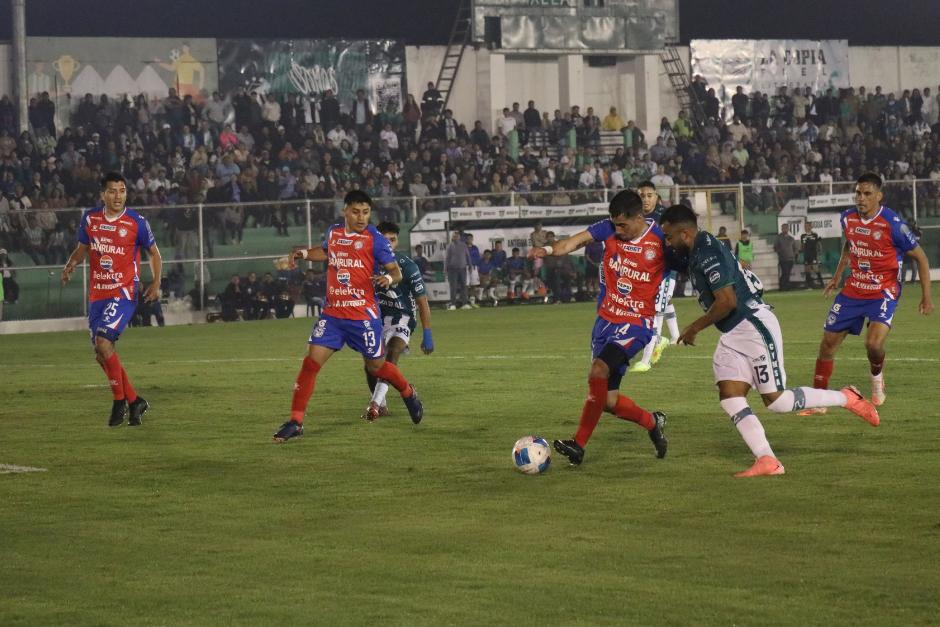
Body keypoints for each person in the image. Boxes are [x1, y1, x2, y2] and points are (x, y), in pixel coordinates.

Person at [659, 204, 880, 477]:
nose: (667, 243)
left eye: (669, 237)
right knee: (729, 394)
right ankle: (767, 460)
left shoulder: (707, 252)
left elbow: (726, 302)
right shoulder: (696, 249)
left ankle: (846, 397)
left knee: (777, 402)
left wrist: (693, 328)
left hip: (752, 326)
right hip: (732, 334)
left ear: (684, 234)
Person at [529, 190, 669, 466]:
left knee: (599, 370)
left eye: (623, 225)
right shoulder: (609, 229)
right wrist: (546, 250)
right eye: (614, 224)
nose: (617, 230)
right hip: (605, 322)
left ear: (639, 217)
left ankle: (578, 446)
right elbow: (571, 243)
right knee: (608, 401)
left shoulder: (660, 239)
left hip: (637, 323)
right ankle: (653, 423)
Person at [273, 190, 424, 443]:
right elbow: (326, 251)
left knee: (376, 367)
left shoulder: (375, 239)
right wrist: (303, 254)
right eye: (356, 211)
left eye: (366, 212)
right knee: (310, 363)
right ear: (345, 211)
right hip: (333, 315)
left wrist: (387, 278)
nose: (361, 217)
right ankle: (296, 422)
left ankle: (408, 392)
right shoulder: (334, 232)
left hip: (362, 316)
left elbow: (395, 272)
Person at [801, 173, 933, 414]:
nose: (861, 198)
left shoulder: (893, 223)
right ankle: (819, 401)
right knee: (827, 344)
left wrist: (927, 296)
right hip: (853, 289)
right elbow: (850, 245)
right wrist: (837, 276)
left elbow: (921, 258)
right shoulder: (847, 218)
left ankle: (877, 378)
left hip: (883, 291)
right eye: (858, 193)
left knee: (873, 344)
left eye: (867, 194)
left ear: (879, 196)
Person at [60, 172, 162, 427]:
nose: (118, 196)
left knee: (104, 343)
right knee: (101, 353)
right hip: (98, 294)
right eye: (113, 191)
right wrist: (71, 263)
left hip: (124, 292)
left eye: (122, 191)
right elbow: (82, 248)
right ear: (103, 194)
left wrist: (156, 281)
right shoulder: (91, 218)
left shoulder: (136, 221)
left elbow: (154, 252)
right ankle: (135, 400)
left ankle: (119, 403)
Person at [362, 222, 435, 420]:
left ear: (397, 241)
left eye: (392, 240)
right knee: (370, 366)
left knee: (392, 353)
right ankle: (382, 406)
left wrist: (427, 333)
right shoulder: (365, 263)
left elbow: (422, 301)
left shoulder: (407, 266)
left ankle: (374, 405)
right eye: (385, 240)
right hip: (375, 320)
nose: (389, 244)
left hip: (402, 319)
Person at [630, 181, 681, 373]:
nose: (645, 199)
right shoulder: (635, 216)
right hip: (644, 272)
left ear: (656, 196)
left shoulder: (665, 217)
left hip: (665, 271)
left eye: (649, 195)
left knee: (655, 312)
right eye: (642, 195)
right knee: (655, 307)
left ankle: (646, 360)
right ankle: (668, 338)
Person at [444, 231, 471, 310]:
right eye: (454, 236)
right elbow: (447, 258)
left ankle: (464, 303)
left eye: (457, 236)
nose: (455, 237)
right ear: (452, 237)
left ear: (459, 237)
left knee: (464, 286)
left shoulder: (463, 245)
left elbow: (467, 256)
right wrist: (445, 268)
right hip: (452, 269)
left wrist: (470, 265)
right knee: (453, 287)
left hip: (462, 268)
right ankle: (453, 304)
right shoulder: (449, 246)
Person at [773, 223, 799, 290]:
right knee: (785, 273)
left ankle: (786, 286)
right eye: (783, 228)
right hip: (783, 259)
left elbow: (795, 248)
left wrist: (795, 255)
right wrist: (780, 252)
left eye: (786, 228)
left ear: (788, 229)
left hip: (791, 259)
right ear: (781, 229)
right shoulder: (778, 237)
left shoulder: (791, 238)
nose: (784, 229)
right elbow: (775, 247)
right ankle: (782, 286)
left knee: (787, 274)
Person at [800, 219, 824, 288]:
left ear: (811, 227)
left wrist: (819, 251)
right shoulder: (803, 236)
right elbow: (802, 246)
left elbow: (817, 244)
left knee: (816, 269)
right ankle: (808, 285)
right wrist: (801, 250)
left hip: (813, 255)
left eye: (807, 226)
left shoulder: (814, 235)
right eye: (805, 226)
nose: (806, 227)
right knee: (807, 270)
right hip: (806, 255)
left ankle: (822, 284)